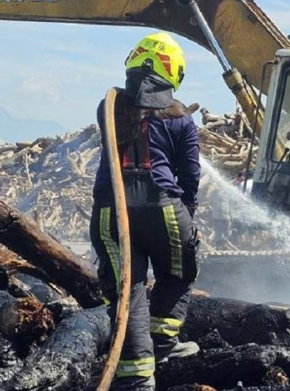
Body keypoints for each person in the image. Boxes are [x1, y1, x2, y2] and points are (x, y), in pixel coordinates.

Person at [90, 32, 201, 390]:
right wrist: (189, 214)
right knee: (179, 271)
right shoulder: (181, 117)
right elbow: (190, 175)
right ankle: (163, 343)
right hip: (164, 209)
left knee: (128, 288)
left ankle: (137, 376)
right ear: (173, 71)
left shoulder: (107, 106)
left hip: (111, 209)